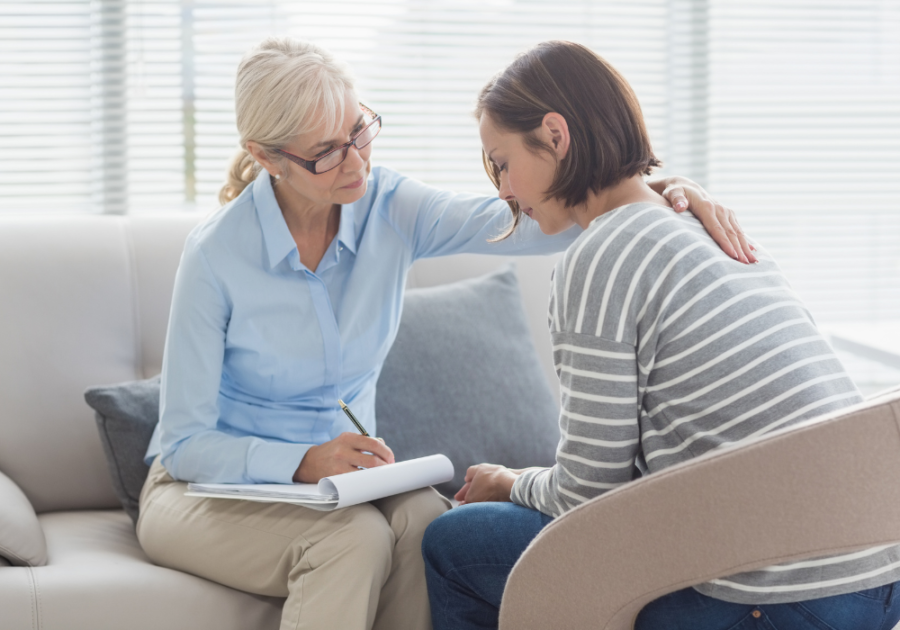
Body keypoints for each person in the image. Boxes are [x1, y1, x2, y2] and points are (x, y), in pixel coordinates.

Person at [135, 36, 753, 630]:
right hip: (202, 493)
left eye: (359, 132)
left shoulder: (388, 206)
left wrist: (665, 191)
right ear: (267, 156)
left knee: (429, 523)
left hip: (339, 487)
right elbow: (185, 442)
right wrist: (301, 461)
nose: (357, 162)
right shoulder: (217, 255)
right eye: (327, 152)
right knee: (351, 542)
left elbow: (542, 215)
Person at [421, 40, 900, 630]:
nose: (503, 190)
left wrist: (509, 482)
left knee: (452, 542)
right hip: (876, 579)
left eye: (500, 162)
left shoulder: (598, 257)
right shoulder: (707, 228)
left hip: (775, 596)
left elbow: (586, 497)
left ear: (554, 134)